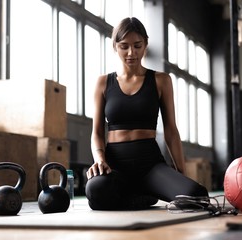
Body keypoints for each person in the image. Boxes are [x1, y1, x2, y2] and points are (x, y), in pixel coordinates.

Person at [85, 17, 208, 210]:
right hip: (115, 164)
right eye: (124, 46)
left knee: (196, 197)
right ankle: (141, 196)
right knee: (95, 190)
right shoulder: (103, 83)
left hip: (149, 164)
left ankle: (138, 193)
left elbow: (171, 130)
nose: (131, 53)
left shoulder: (161, 80)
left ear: (146, 45)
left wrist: (180, 172)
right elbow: (97, 133)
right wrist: (100, 160)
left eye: (137, 45)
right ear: (115, 46)